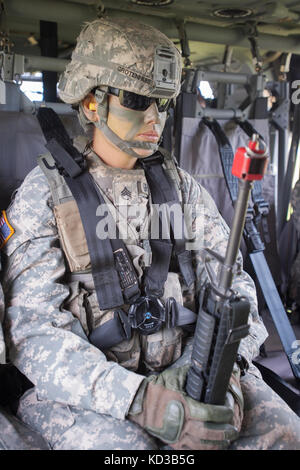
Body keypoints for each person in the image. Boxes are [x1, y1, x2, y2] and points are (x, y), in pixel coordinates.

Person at [1, 17, 300, 451]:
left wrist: (226, 371)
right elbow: (33, 331)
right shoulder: (44, 196)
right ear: (90, 103)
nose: (153, 118)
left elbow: (235, 287)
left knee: (284, 433)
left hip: (189, 370)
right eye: (137, 99)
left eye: (162, 102)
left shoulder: (181, 188)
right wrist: (139, 400)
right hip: (84, 395)